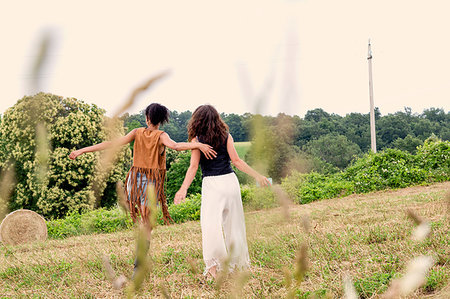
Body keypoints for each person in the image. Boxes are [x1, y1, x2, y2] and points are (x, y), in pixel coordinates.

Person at [69, 103, 216, 275]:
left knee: (142, 222)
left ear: (147, 118)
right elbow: (176, 146)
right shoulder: (162, 135)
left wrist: (82, 150)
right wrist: (197, 145)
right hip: (149, 182)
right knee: (147, 225)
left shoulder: (136, 132)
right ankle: (139, 266)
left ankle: (140, 260)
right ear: (161, 120)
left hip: (134, 180)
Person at [174, 104, 270, 279]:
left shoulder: (196, 141)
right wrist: (257, 176)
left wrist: (183, 189)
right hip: (230, 182)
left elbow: (193, 167)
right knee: (235, 225)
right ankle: (240, 267)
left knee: (211, 227)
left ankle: (214, 270)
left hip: (212, 185)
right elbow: (237, 161)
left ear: (197, 120)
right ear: (217, 119)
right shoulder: (227, 136)